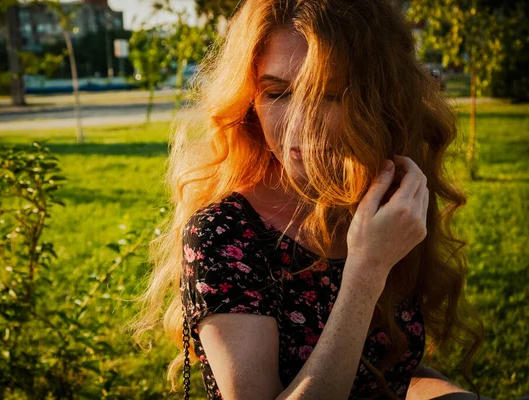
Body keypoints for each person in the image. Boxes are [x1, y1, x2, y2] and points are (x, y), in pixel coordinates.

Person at [128, 0, 489, 399]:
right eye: (277, 93)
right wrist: (367, 269)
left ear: (379, 99)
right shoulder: (223, 232)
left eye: (328, 94)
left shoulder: (378, 204)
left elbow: (381, 367)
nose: (299, 122)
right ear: (249, 100)